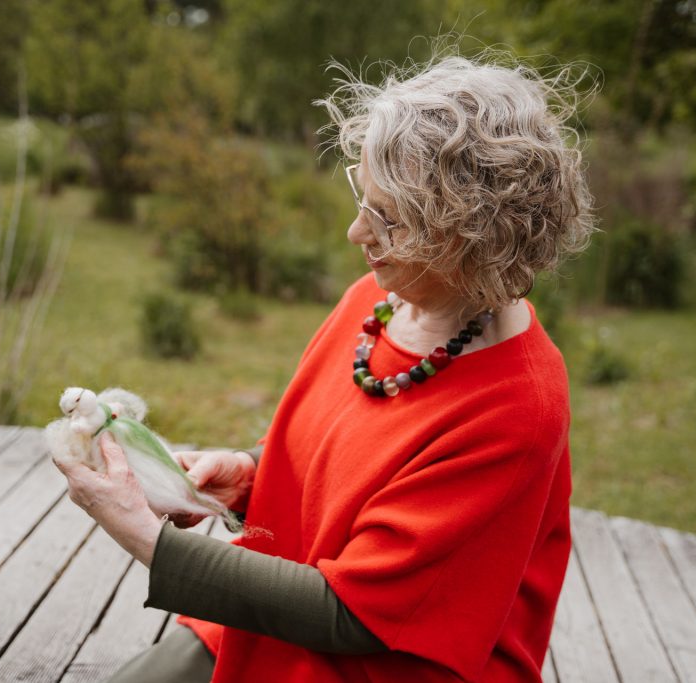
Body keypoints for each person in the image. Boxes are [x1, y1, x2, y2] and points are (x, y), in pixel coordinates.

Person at [53, 50, 596, 683]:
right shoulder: (376, 305)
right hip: (267, 619)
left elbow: (353, 617)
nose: (354, 232)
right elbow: (353, 457)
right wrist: (252, 470)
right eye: (364, 200)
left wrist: (143, 535)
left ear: (470, 235)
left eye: (386, 218)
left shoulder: (518, 408)